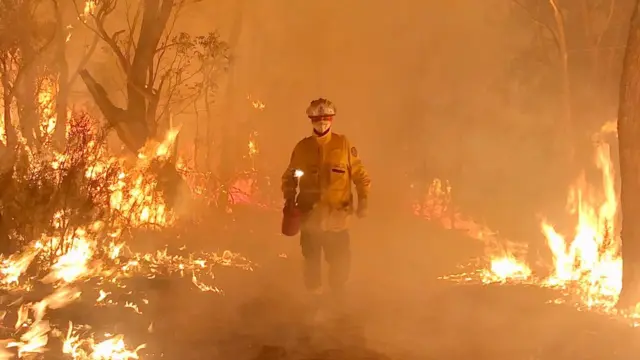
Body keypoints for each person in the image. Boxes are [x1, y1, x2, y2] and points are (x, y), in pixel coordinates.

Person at [281, 98, 371, 304]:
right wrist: (289, 199)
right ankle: (313, 304)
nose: (322, 122)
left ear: (332, 119)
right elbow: (290, 177)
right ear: (311, 119)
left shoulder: (344, 145)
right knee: (311, 262)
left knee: (340, 263)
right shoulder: (302, 148)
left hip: (337, 220)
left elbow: (360, 177)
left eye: (326, 118)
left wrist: (363, 200)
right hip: (310, 218)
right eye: (317, 118)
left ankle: (337, 300)